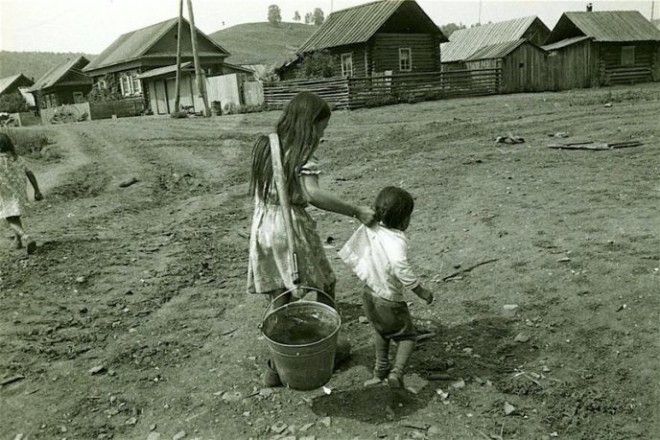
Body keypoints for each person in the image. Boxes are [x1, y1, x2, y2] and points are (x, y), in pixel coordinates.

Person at [247, 92, 375, 387]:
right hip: (290, 227)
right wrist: (355, 210)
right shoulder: (302, 153)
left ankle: (276, 365)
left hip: (263, 225)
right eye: (323, 128)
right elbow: (313, 194)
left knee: (279, 292)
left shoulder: (266, 144)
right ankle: (326, 349)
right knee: (324, 283)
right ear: (310, 124)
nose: (322, 134)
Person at [339, 186, 434, 389]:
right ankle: (396, 373)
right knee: (407, 337)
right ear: (402, 220)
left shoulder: (370, 227)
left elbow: (353, 249)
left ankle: (379, 371)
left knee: (381, 331)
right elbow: (400, 266)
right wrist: (420, 290)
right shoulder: (396, 241)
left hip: (368, 293)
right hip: (388, 300)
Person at [0, 133, 43, 255]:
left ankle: (25, 237)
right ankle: (17, 241)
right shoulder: (18, 158)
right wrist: (37, 190)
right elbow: (30, 174)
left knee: (9, 218)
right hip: (19, 192)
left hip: (4, 193)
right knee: (15, 214)